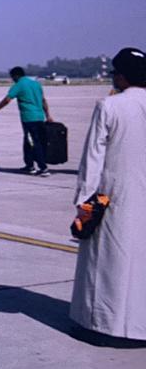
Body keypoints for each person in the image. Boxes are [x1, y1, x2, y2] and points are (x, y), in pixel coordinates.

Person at [70, 47, 146, 344]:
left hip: (116, 196)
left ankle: (104, 325)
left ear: (124, 76)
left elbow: (93, 158)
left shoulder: (110, 106)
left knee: (109, 262)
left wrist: (84, 201)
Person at [0, 66, 54, 176]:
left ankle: (43, 168)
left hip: (29, 119)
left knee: (34, 143)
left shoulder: (19, 85)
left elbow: (7, 99)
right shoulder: (36, 84)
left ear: (16, 76)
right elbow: (43, 100)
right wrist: (48, 115)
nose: (12, 79)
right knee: (29, 141)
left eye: (12, 77)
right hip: (39, 117)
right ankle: (29, 165)